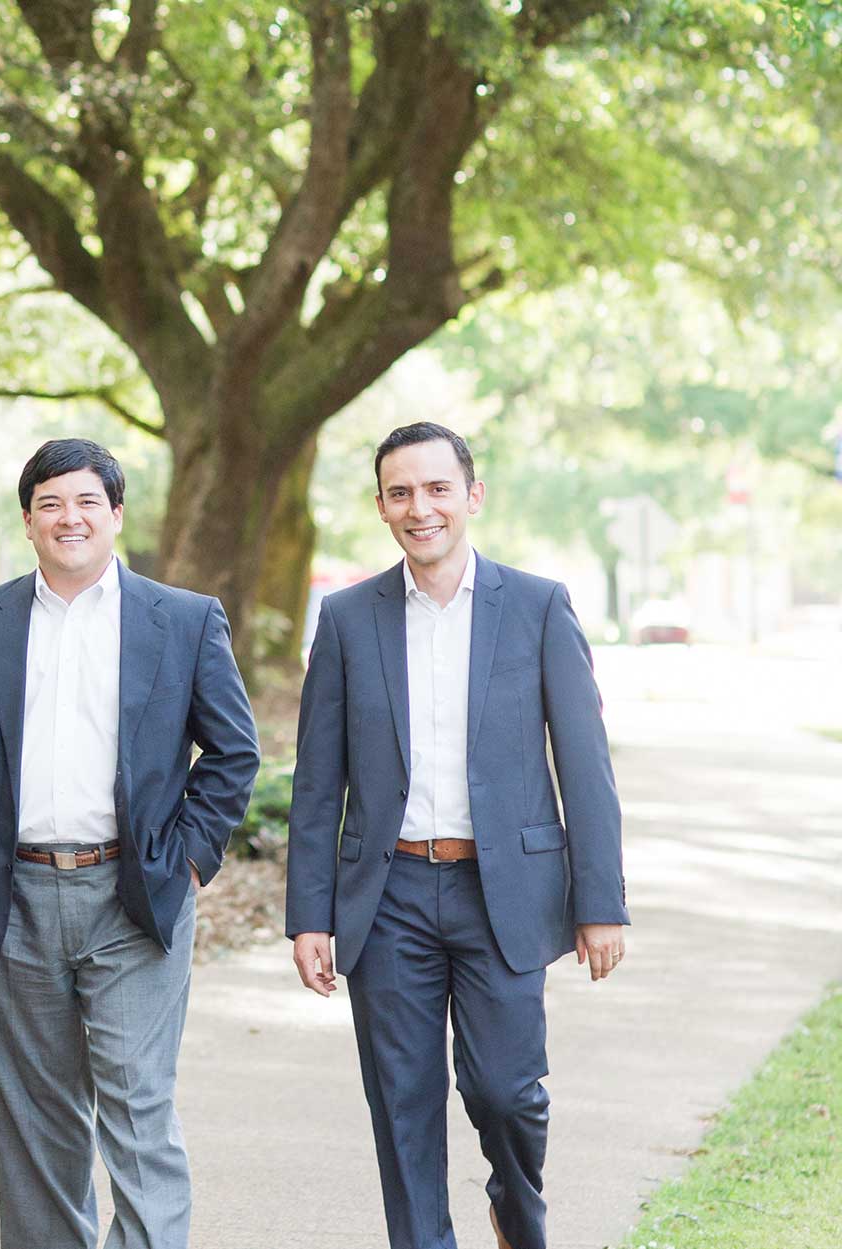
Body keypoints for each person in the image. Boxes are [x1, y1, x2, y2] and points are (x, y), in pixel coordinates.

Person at [285, 422, 629, 1249]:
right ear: (380, 507)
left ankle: (517, 1215)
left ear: (471, 496)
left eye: (437, 488)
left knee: (506, 1092)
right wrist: (310, 915)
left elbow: (584, 764)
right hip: (388, 895)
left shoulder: (539, 606)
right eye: (400, 492)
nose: (420, 507)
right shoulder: (345, 617)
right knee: (401, 1101)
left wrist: (602, 902)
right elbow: (314, 780)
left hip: (503, 892)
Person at [0, 438, 260, 1249]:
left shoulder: (181, 618)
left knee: (139, 1104)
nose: (69, 517)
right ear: (29, 521)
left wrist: (189, 858)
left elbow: (234, 750)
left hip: (134, 895)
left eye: (86, 502)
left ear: (116, 515)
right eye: (50, 504)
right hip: (14, 895)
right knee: (38, 1118)